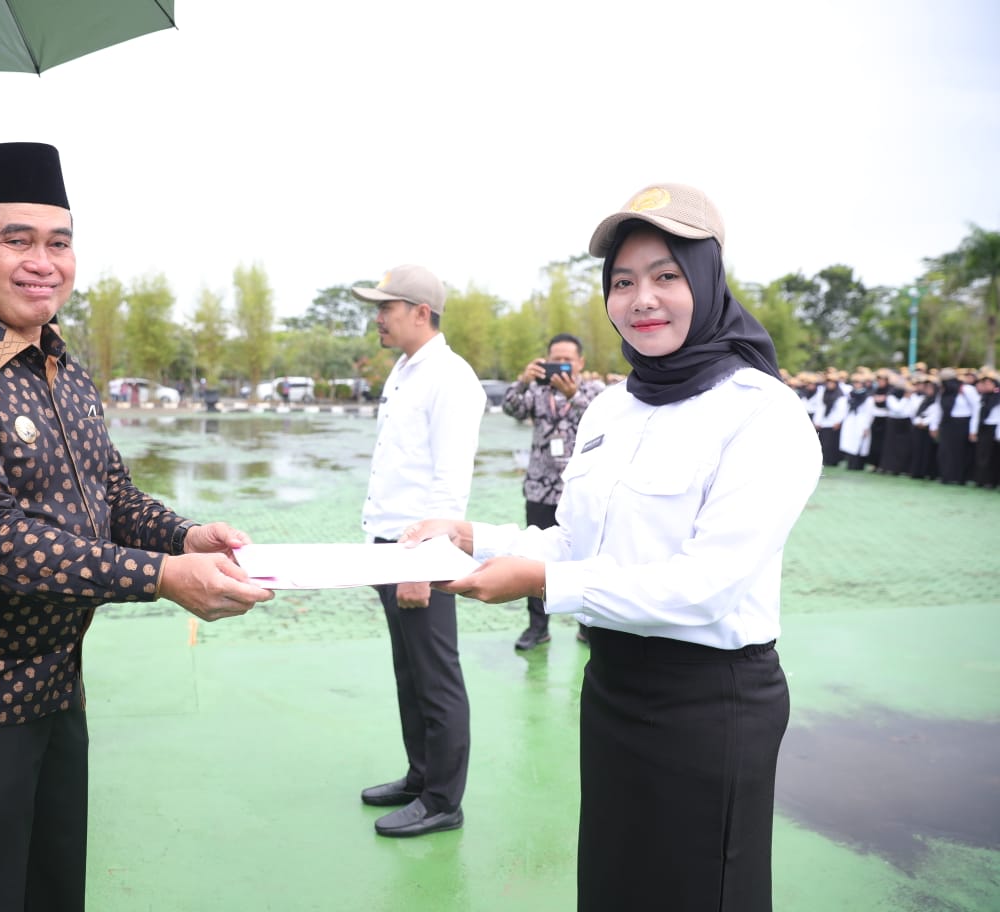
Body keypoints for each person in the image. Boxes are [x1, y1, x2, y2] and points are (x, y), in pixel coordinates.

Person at [0, 142, 273, 912]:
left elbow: (109, 493)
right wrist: (161, 576)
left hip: (49, 678)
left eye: (59, 242)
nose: (43, 262)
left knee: (52, 888)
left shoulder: (61, 367)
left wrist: (185, 538)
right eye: (17, 240)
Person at [404, 183, 821, 910]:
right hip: (613, 687)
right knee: (614, 883)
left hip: (708, 703)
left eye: (666, 275)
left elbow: (705, 587)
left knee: (698, 891)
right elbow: (574, 539)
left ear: (707, 280)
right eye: (622, 282)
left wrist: (541, 584)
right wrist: (472, 538)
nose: (641, 299)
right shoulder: (611, 406)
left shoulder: (763, 414)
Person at [351, 265, 485, 838]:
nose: (378, 318)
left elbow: (449, 484)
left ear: (421, 312)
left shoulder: (451, 379)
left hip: (419, 551)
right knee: (409, 671)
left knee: (435, 675)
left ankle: (443, 801)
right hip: (390, 546)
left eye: (387, 307)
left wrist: (423, 566)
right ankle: (420, 776)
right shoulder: (406, 370)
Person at [501, 333, 605, 649]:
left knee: (587, 558)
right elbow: (511, 408)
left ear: (580, 362)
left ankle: (589, 626)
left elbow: (605, 426)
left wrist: (574, 396)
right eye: (554, 360)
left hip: (583, 491)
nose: (559, 365)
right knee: (535, 559)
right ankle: (538, 627)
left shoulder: (595, 392)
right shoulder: (536, 390)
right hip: (541, 489)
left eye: (567, 360)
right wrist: (523, 381)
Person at [929, 367, 980, 485]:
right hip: (947, 424)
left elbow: (976, 409)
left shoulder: (966, 389)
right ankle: (947, 476)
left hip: (963, 424)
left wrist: (973, 430)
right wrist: (933, 426)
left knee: (961, 452)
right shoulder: (943, 391)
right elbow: (938, 409)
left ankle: (960, 477)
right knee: (945, 452)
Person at [809, 369, 848, 465]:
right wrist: (817, 421)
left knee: (831, 443)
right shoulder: (822, 393)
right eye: (828, 382)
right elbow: (819, 407)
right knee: (821, 442)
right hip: (823, 422)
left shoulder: (840, 395)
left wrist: (838, 421)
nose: (830, 384)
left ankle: (831, 461)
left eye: (832, 382)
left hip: (833, 422)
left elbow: (842, 410)